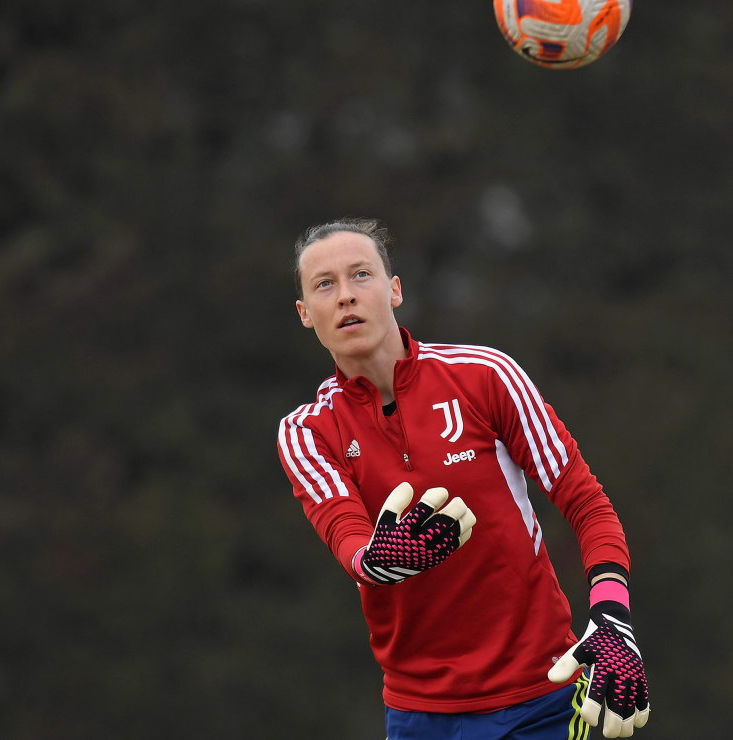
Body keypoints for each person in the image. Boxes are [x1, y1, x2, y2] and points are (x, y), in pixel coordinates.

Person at [277, 217, 651, 739]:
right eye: (324, 285)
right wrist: (382, 561)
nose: (345, 297)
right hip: (417, 715)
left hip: (542, 694)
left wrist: (612, 615)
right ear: (304, 315)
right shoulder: (306, 432)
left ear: (395, 290)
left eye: (361, 275)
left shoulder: (485, 376)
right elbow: (352, 546)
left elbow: (587, 503)